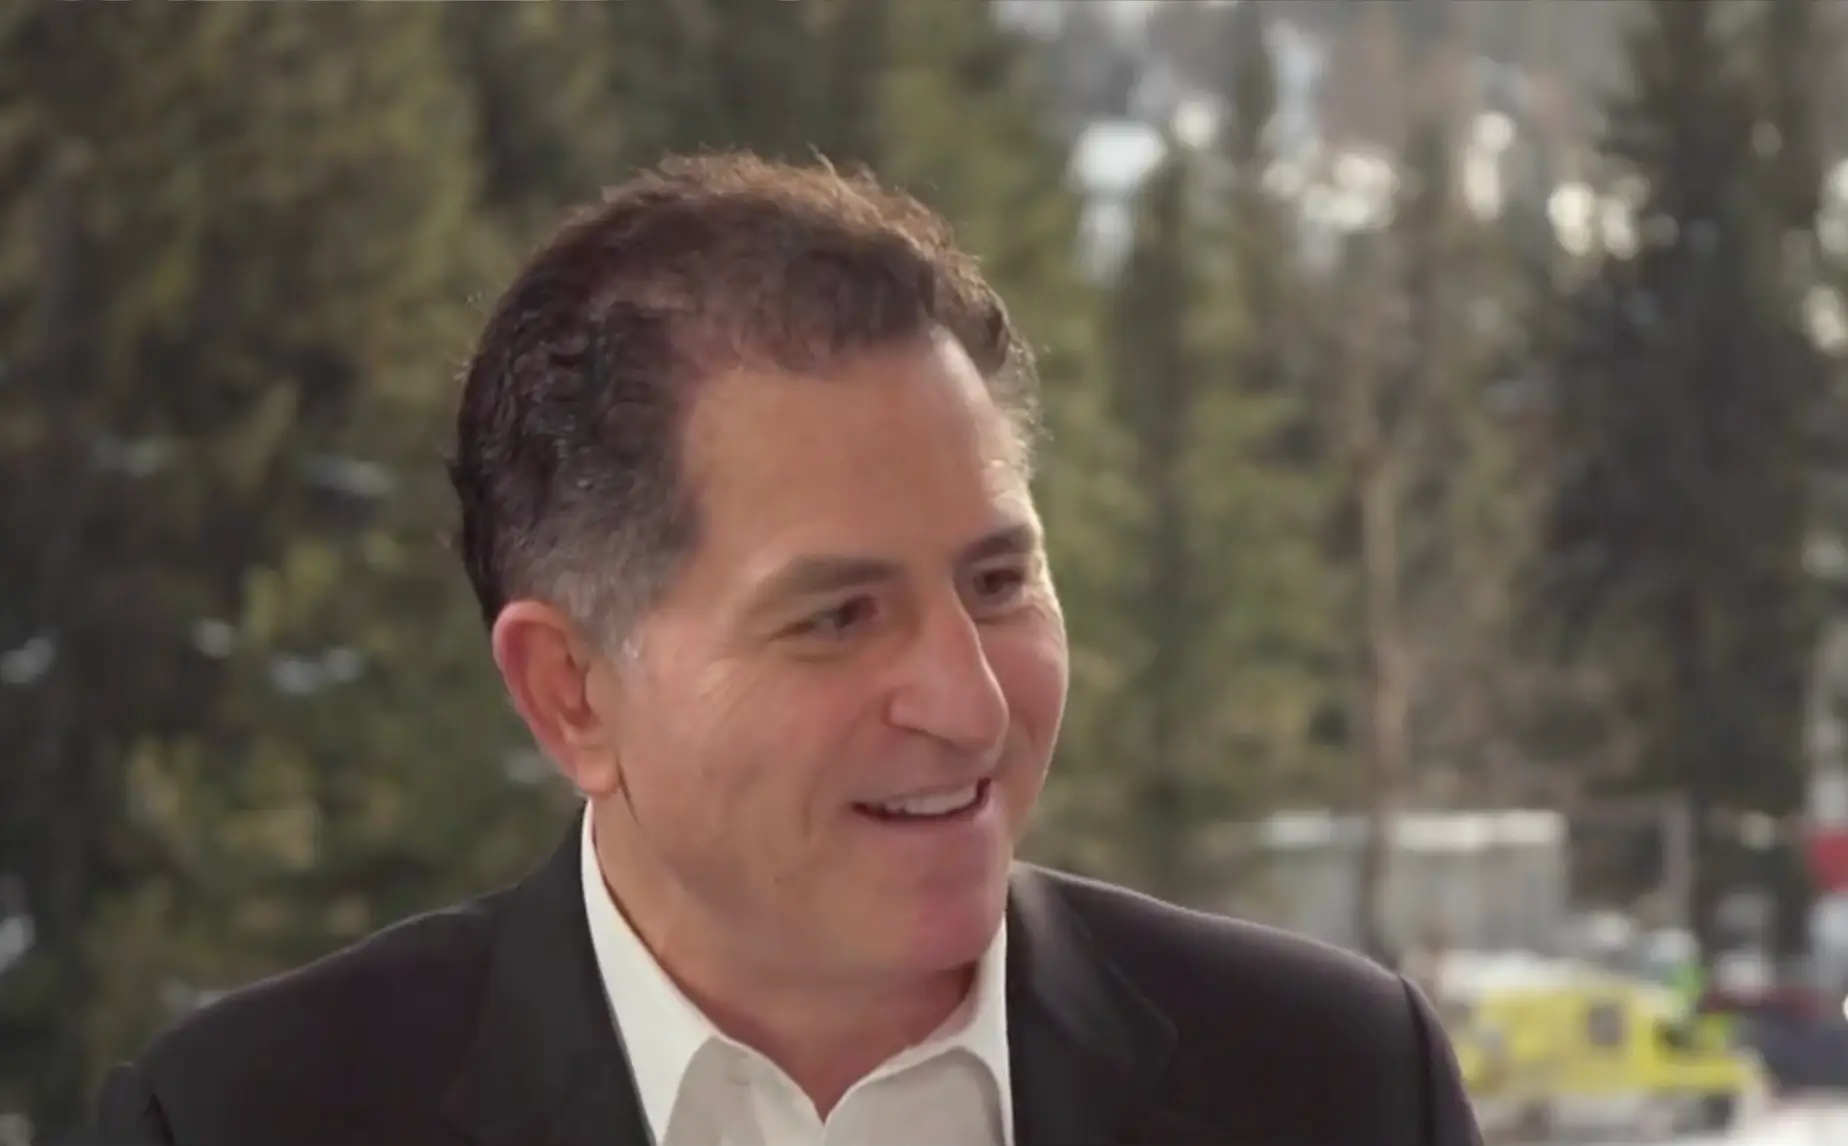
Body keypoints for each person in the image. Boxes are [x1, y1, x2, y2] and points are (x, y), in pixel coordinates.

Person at [93, 153, 1481, 1146]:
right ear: (572, 694)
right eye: (838, 616)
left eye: (999, 579)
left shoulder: (1340, 1085)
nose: (969, 703)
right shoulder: (238, 1119)